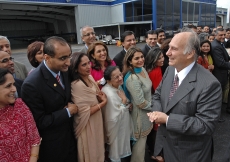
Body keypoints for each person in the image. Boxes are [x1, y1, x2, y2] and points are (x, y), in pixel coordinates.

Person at [147, 28, 222, 162]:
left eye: (174, 49)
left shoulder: (209, 84)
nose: (167, 53)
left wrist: (168, 120)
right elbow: (158, 95)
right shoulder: (170, 70)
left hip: (189, 154)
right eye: (168, 47)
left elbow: (205, 125)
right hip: (165, 146)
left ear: (190, 53)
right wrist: (157, 112)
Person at [21, 36, 78, 162]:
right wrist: (67, 112)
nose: (68, 62)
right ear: (47, 57)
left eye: (69, 56)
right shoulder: (32, 85)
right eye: (63, 58)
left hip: (71, 141)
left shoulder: (64, 70)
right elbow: (38, 122)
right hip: (53, 149)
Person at [69, 52, 106, 162]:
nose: (88, 67)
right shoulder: (76, 85)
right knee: (90, 153)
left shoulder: (89, 77)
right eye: (84, 65)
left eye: (88, 63)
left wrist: (101, 98)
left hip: (96, 121)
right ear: (76, 68)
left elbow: (97, 94)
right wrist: (103, 103)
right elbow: (84, 112)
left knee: (98, 149)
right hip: (86, 124)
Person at [0, 68, 41, 162]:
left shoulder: (20, 106)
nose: (14, 89)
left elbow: (34, 138)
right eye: (8, 86)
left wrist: (33, 159)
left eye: (14, 84)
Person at [123, 47, 153, 162]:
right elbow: (140, 103)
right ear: (130, 61)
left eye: (142, 57)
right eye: (136, 58)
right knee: (138, 151)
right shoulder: (132, 78)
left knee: (142, 147)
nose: (141, 60)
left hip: (147, 113)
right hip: (139, 117)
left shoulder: (142, 70)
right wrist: (155, 106)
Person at [101, 66, 134, 162]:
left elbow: (122, 106)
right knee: (118, 155)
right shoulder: (108, 93)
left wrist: (128, 104)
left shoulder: (118, 87)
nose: (120, 78)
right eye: (116, 77)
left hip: (123, 128)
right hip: (116, 131)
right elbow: (112, 118)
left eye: (120, 74)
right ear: (108, 81)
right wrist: (124, 101)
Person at [144, 47, 164, 162]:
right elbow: (158, 91)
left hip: (152, 101)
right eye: (159, 58)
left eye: (162, 57)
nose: (162, 59)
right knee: (156, 129)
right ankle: (155, 153)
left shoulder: (152, 69)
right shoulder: (156, 71)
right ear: (153, 59)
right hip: (155, 102)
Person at [211, 28, 230, 114]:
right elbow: (221, 63)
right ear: (215, 35)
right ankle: (216, 115)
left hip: (221, 74)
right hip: (219, 75)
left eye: (224, 34)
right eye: (220, 35)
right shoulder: (216, 46)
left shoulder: (219, 44)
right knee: (217, 96)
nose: (223, 36)